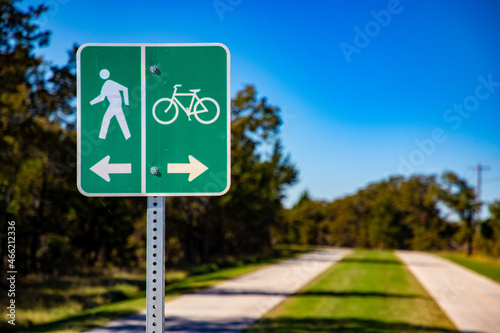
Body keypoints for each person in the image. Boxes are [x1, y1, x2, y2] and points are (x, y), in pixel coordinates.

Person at [90, 69, 131, 140]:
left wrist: (126, 102)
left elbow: (125, 89)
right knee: (120, 119)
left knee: (106, 118)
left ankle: (102, 137)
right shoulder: (104, 86)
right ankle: (128, 136)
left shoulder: (109, 82)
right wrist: (91, 103)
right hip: (114, 104)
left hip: (116, 103)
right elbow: (101, 98)